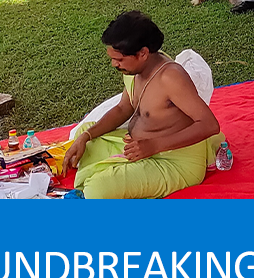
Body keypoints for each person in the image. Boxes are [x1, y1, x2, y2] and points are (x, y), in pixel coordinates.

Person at [63, 11, 222, 199]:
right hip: (137, 145)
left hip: (172, 161)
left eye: (120, 59)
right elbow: (123, 108)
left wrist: (154, 146)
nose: (114, 64)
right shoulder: (135, 69)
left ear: (143, 53)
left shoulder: (170, 77)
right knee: (85, 136)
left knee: (97, 190)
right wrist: (86, 136)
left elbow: (210, 125)